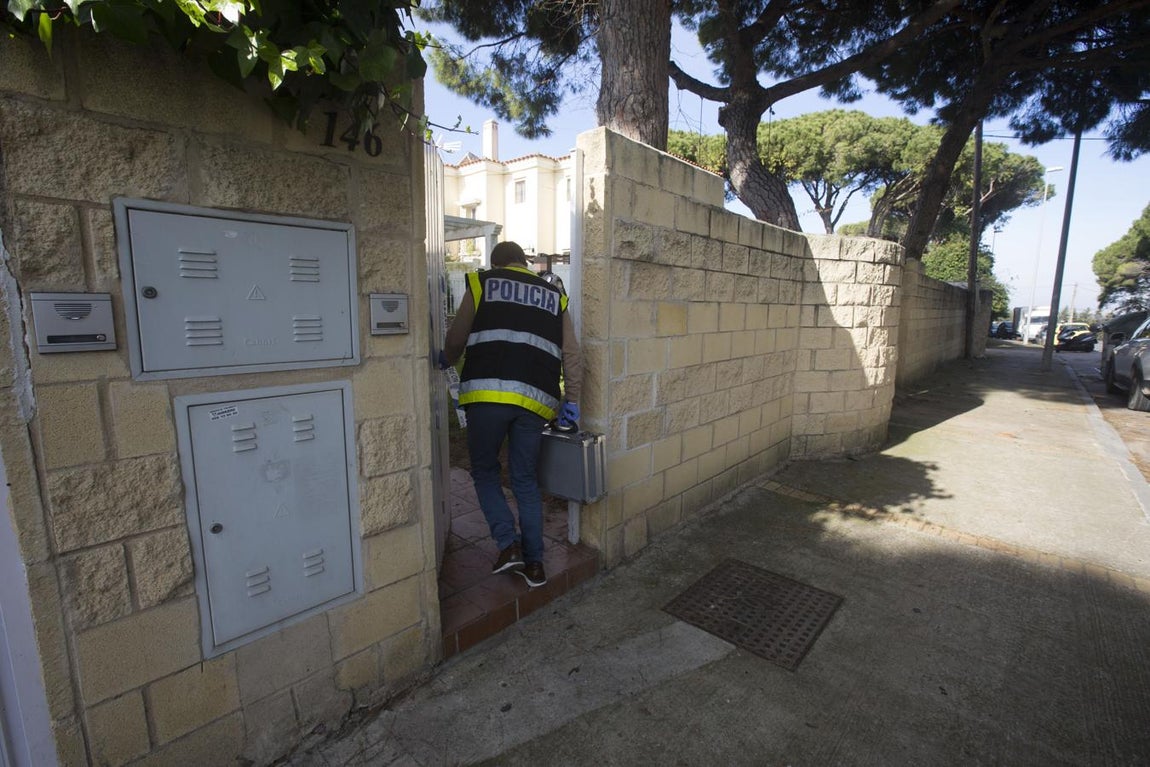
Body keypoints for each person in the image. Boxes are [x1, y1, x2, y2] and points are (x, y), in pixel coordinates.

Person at [440, 241, 583, 588]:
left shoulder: (481, 282)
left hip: (486, 396)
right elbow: (572, 354)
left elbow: (457, 337)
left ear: (497, 263)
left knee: (486, 471)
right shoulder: (554, 295)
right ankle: (535, 565)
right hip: (535, 403)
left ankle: (508, 545)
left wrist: (446, 357)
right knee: (524, 480)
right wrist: (572, 400)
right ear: (523, 262)